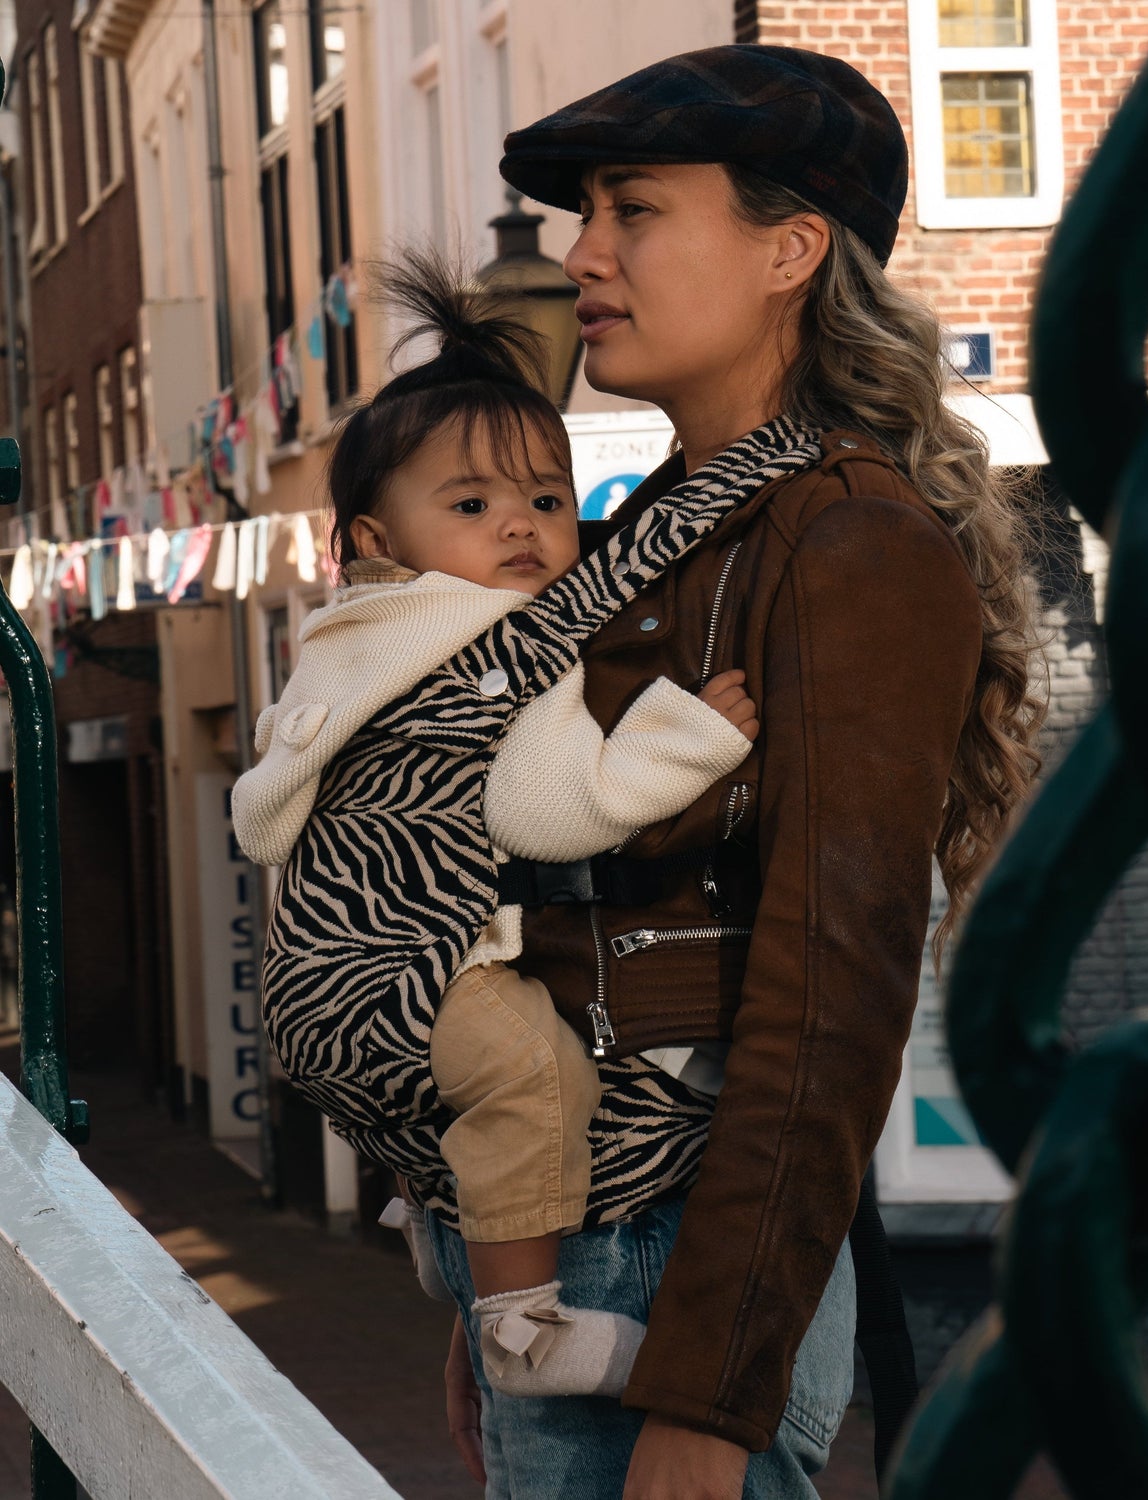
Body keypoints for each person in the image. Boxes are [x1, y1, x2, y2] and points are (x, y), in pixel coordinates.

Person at [431, 43, 1046, 1500]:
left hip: (675, 1278)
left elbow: (831, 997)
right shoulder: (658, 529)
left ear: (791, 250)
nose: (583, 254)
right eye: (588, 214)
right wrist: (500, 1280)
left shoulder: (847, 542)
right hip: (580, 1253)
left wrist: (709, 1399)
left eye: (634, 210)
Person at [231, 254, 767, 1400]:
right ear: (374, 536)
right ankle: (524, 1331)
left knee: (472, 1104)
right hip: (416, 978)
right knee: (539, 1076)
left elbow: (265, 816)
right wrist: (687, 739)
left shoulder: (351, 640)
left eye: (547, 501)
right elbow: (542, 808)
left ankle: (441, 1233)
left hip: (315, 985)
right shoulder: (498, 641)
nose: (521, 528)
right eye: (472, 506)